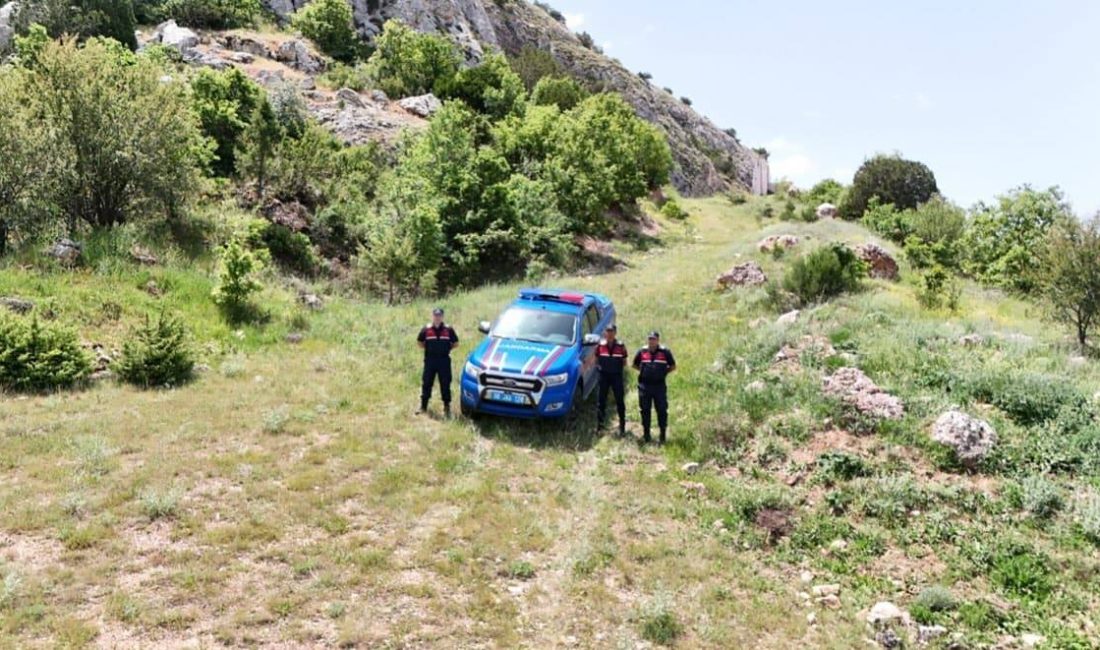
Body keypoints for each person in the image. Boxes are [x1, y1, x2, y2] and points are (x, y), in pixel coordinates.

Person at [633, 331, 676, 444]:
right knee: (645, 410)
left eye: (654, 339)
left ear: (658, 340)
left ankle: (662, 435)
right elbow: (635, 365)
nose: (652, 341)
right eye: (650, 339)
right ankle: (646, 435)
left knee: (662, 410)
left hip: (659, 386)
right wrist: (645, 372)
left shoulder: (665, 352)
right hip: (645, 386)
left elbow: (673, 366)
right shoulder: (642, 351)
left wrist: (663, 373)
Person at [417, 308, 459, 416]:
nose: (437, 317)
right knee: (427, 382)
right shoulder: (426, 329)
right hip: (430, 360)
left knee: (445, 383)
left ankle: (446, 407)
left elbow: (456, 343)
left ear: (442, 316)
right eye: (435, 315)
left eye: (439, 315)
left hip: (444, 360)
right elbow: (420, 342)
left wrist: (447, 349)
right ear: (432, 316)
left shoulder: (448, 329)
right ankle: (423, 407)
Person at [596, 324, 629, 436]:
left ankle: (622, 425)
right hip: (604, 376)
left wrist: (616, 370)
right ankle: (600, 426)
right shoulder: (600, 345)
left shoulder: (621, 346)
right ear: (605, 332)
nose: (609, 334)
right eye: (608, 331)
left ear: (615, 333)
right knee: (601, 401)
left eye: (612, 331)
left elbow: (624, 362)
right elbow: (596, 359)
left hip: (616, 376)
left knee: (620, 401)